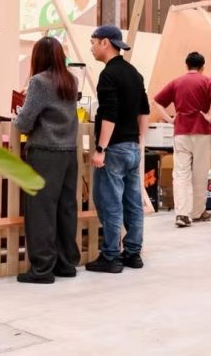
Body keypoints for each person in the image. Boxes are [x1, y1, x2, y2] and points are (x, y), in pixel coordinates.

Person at [13, 37, 80, 284]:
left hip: (45, 152)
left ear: (38, 57)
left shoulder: (39, 82)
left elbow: (24, 122)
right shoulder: (71, 80)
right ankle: (66, 264)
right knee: (66, 208)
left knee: (41, 210)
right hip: (69, 152)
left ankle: (41, 269)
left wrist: (18, 114)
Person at [87, 25, 150, 273]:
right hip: (132, 147)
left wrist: (101, 148)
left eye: (93, 42)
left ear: (105, 43)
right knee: (133, 203)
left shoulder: (108, 75)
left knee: (109, 202)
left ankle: (111, 256)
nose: (91, 48)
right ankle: (133, 253)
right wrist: (139, 142)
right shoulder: (134, 73)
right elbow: (144, 111)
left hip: (114, 149)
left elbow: (109, 114)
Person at [152, 52, 211, 228]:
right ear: (202, 67)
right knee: (200, 173)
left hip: (181, 132)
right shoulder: (208, 81)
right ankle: (198, 212)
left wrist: (170, 119)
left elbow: (156, 101)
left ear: (186, 65)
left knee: (181, 174)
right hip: (202, 132)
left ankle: (182, 214)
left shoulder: (177, 82)